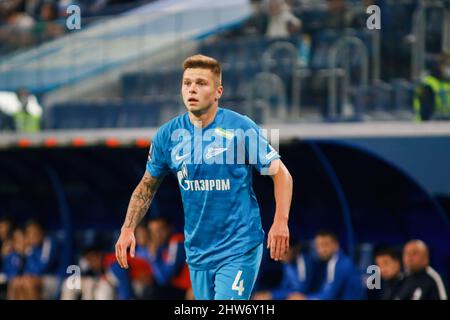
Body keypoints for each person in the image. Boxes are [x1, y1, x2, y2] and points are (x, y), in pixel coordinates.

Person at [115, 54, 293, 300]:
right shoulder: (167, 135)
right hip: (198, 253)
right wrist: (127, 229)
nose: (192, 89)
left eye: (201, 83)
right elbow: (147, 186)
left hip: (238, 248)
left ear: (218, 91)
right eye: (187, 83)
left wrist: (280, 221)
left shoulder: (240, 127)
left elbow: (282, 174)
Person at [287, 230, 364, 300]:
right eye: (318, 246)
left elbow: (329, 295)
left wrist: (305, 298)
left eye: (325, 245)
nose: (321, 250)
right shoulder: (332, 261)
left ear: (336, 245)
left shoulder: (340, 263)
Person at [252, 240, 316, 300]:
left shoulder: (304, 260)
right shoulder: (287, 263)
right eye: (280, 250)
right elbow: (284, 286)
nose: (282, 254)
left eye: (285, 250)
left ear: (296, 249)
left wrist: (272, 295)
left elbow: (302, 289)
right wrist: (268, 294)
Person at [414, 52, 450, 121]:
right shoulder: (428, 84)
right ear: (441, 66)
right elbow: (425, 111)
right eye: (448, 65)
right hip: (428, 127)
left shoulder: (446, 82)